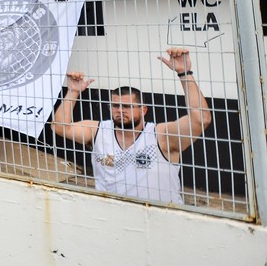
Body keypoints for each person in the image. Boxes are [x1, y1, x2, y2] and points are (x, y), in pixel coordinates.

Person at [51, 48, 212, 205]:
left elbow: (201, 119)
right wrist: (73, 92)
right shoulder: (98, 130)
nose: (120, 111)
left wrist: (184, 74)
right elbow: (60, 127)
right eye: (115, 106)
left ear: (143, 109)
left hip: (159, 219)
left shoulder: (161, 136)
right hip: (111, 218)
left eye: (127, 107)